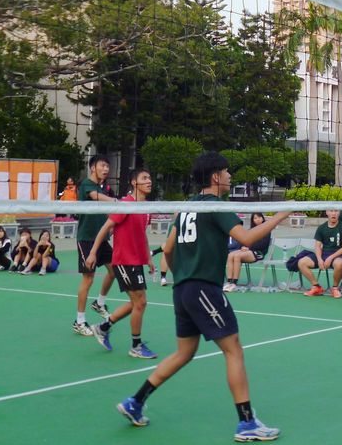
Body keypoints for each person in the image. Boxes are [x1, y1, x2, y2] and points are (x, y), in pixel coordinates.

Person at [117, 151, 291, 441]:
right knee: (233, 349)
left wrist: (182, 275)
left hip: (183, 289)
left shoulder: (186, 207)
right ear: (215, 177)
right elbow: (247, 239)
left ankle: (135, 402)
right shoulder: (216, 206)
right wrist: (280, 216)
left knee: (184, 353)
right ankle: (247, 423)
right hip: (203, 288)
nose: (230, 176)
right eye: (227, 171)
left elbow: (168, 249)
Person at [89, 167, 157, 358]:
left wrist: (148, 258)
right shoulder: (126, 204)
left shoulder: (146, 209)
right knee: (140, 302)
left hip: (136, 261)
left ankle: (103, 327)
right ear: (134, 182)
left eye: (150, 178)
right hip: (123, 261)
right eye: (144, 178)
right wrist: (93, 253)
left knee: (137, 302)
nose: (149, 181)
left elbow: (142, 235)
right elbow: (105, 228)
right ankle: (136, 346)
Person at [74, 155, 117, 336]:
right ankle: (79, 321)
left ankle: (99, 303)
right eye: (103, 165)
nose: (106, 169)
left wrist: (111, 226)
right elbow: (95, 197)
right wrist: (116, 201)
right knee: (88, 278)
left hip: (101, 239)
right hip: (86, 239)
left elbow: (104, 210)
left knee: (114, 269)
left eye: (108, 166)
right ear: (93, 167)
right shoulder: (87, 185)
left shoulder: (102, 188)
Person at [299, 208, 342, 298]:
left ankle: (335, 288)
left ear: (339, 213)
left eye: (336, 211)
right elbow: (318, 246)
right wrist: (319, 259)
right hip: (323, 254)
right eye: (331, 211)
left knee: (339, 263)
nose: (334, 213)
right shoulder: (321, 228)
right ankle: (316, 286)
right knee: (302, 262)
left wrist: (331, 258)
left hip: (338, 255)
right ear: (327, 212)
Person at [225, 212, 271, 292]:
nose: (257, 219)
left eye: (259, 217)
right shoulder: (250, 230)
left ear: (262, 218)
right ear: (252, 220)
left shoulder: (266, 230)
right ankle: (229, 281)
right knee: (231, 255)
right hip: (248, 251)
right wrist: (243, 247)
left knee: (237, 256)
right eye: (255, 218)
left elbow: (263, 244)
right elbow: (243, 241)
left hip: (258, 253)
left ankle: (234, 283)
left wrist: (249, 248)